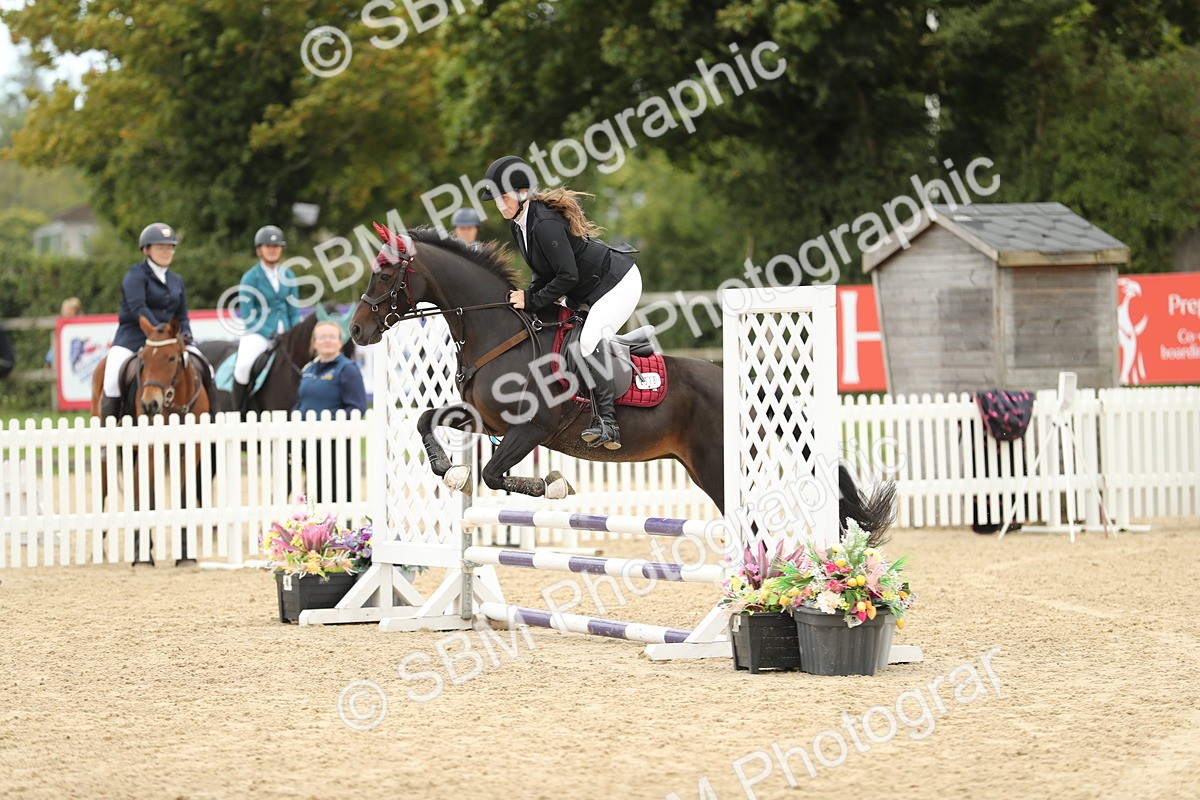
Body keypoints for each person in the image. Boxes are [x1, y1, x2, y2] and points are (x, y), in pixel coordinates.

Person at [479, 154, 641, 449]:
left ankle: (607, 422)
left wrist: (532, 299)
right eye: (497, 199)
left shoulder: (544, 224)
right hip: (588, 289)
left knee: (587, 343)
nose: (500, 205)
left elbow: (567, 275)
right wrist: (528, 298)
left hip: (618, 284)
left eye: (504, 197)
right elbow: (544, 273)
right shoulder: (519, 224)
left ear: (523, 193)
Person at [100, 223, 214, 420]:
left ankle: (214, 425)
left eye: (170, 247)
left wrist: (185, 332)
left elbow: (182, 314)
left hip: (170, 341)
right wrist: (160, 332)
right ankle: (107, 440)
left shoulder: (176, 280)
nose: (166, 251)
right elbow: (139, 309)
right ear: (146, 250)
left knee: (207, 368)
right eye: (160, 247)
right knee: (111, 380)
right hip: (134, 338)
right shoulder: (135, 275)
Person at [293, 320, 367, 502]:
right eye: (322, 337)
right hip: (309, 445)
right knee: (314, 494)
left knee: (337, 495)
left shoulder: (348, 369)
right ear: (314, 342)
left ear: (340, 342)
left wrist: (327, 424)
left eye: (332, 337)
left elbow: (357, 408)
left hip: (336, 447)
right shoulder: (308, 369)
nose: (327, 341)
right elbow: (300, 402)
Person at [232, 225, 301, 414]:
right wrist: (268, 333)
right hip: (258, 333)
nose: (272, 249)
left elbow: (293, 311)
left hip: (286, 332)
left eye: (277, 246)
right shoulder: (250, 277)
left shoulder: (289, 275)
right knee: (243, 366)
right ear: (259, 250)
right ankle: (239, 410)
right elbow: (247, 314)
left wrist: (294, 333)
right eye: (268, 246)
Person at [45, 297, 82, 368]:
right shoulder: (62, 327)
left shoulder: (79, 326)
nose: (64, 312)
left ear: (74, 311)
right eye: (63, 309)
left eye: (67, 309)